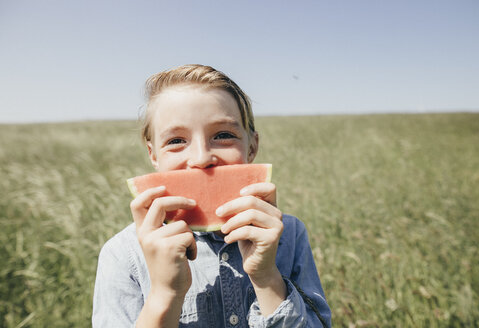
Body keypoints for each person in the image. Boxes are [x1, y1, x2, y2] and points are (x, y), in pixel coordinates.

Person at [92, 64, 331, 327]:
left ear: (252, 147)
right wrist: (164, 293)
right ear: (153, 155)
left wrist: (266, 278)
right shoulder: (122, 254)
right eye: (176, 141)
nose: (201, 158)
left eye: (224, 135)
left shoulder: (290, 235)